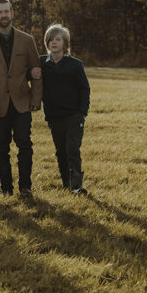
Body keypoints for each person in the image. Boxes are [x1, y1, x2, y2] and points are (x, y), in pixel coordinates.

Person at [0, 0, 42, 196]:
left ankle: (25, 187)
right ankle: (6, 189)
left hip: (22, 102)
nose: (3, 15)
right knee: (1, 148)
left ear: (12, 14)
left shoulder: (26, 40)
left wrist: (36, 100)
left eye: (6, 11)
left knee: (25, 145)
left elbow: (36, 70)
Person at [40, 23, 91, 195]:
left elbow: (84, 88)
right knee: (60, 151)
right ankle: (66, 184)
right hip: (54, 117)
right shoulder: (41, 63)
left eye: (58, 39)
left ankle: (76, 185)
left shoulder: (75, 65)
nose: (54, 42)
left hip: (73, 116)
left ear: (65, 43)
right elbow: (27, 74)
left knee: (72, 149)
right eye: (51, 39)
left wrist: (82, 112)